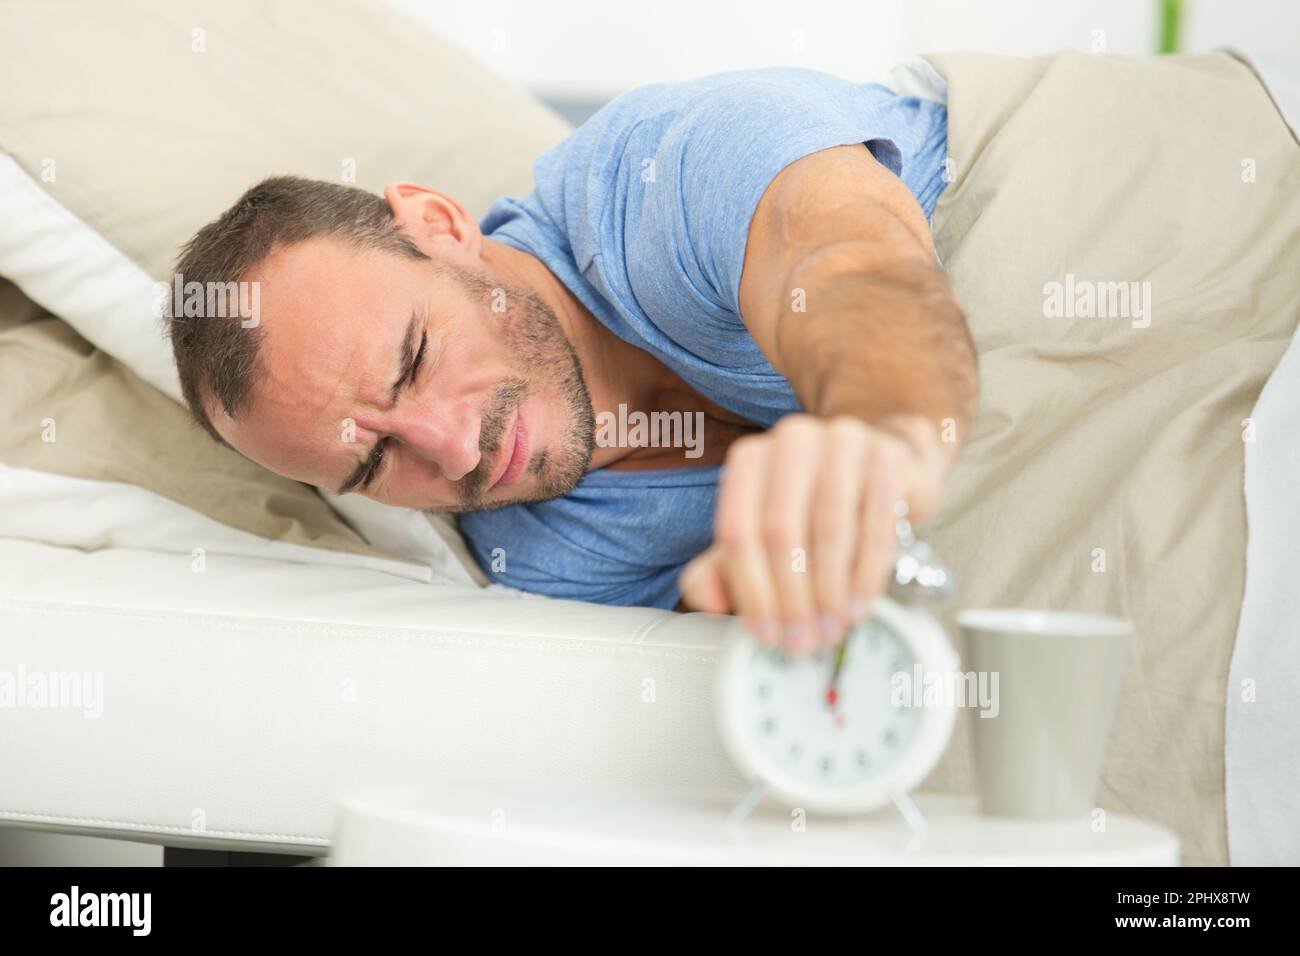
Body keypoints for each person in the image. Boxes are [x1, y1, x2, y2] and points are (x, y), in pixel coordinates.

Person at [166, 67, 978, 655]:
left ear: (441, 224)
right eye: (377, 460)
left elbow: (850, 268)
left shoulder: (662, 176)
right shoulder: (554, 560)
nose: (454, 450)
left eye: (413, 360)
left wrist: (883, 436)